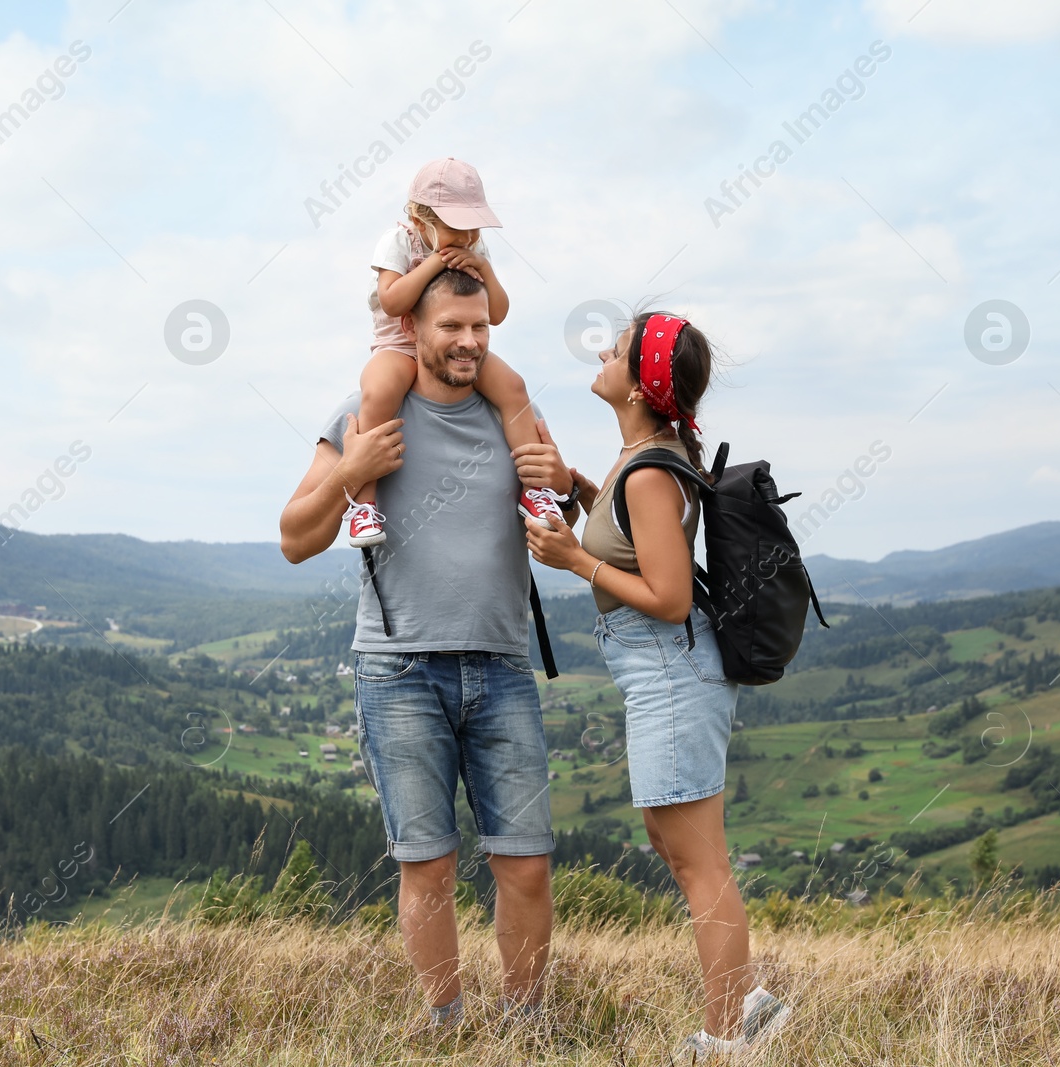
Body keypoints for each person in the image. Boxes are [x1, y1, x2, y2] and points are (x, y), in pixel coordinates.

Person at [280, 267, 576, 1027]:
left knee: (528, 865)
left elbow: (572, 524)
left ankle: (525, 1025)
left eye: (481, 327)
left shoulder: (516, 413)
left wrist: (566, 485)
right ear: (413, 329)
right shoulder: (364, 411)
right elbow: (293, 539)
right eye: (453, 327)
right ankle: (447, 1023)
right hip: (399, 669)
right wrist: (351, 472)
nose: (470, 341)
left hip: (504, 665)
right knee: (429, 866)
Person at [524, 311, 792, 1058]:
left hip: (670, 670)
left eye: (615, 348)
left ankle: (725, 1037)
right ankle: (751, 1005)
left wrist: (573, 562)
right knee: (678, 846)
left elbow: (670, 596)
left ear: (640, 386)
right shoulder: (643, 453)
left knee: (699, 862)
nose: (602, 352)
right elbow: (631, 544)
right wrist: (577, 487)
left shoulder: (645, 470)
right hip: (665, 672)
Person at [342, 157, 562, 548]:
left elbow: (497, 313)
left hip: (454, 348)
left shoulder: (476, 249)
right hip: (399, 343)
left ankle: (535, 489)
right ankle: (364, 504)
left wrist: (484, 270)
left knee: (513, 386)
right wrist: (432, 266)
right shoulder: (399, 242)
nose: (466, 236)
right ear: (421, 217)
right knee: (378, 393)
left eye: (473, 226)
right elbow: (392, 302)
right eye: (455, 227)